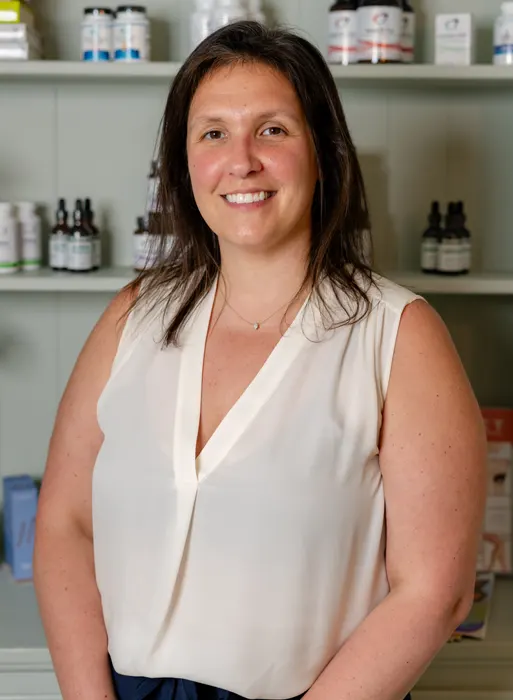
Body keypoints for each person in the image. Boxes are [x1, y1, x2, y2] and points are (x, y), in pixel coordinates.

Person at [34, 21, 487, 700]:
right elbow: (64, 524)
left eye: (272, 130)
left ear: (323, 153)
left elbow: (434, 592)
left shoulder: (398, 335)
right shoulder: (133, 318)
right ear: (184, 163)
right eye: (213, 133)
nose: (241, 161)